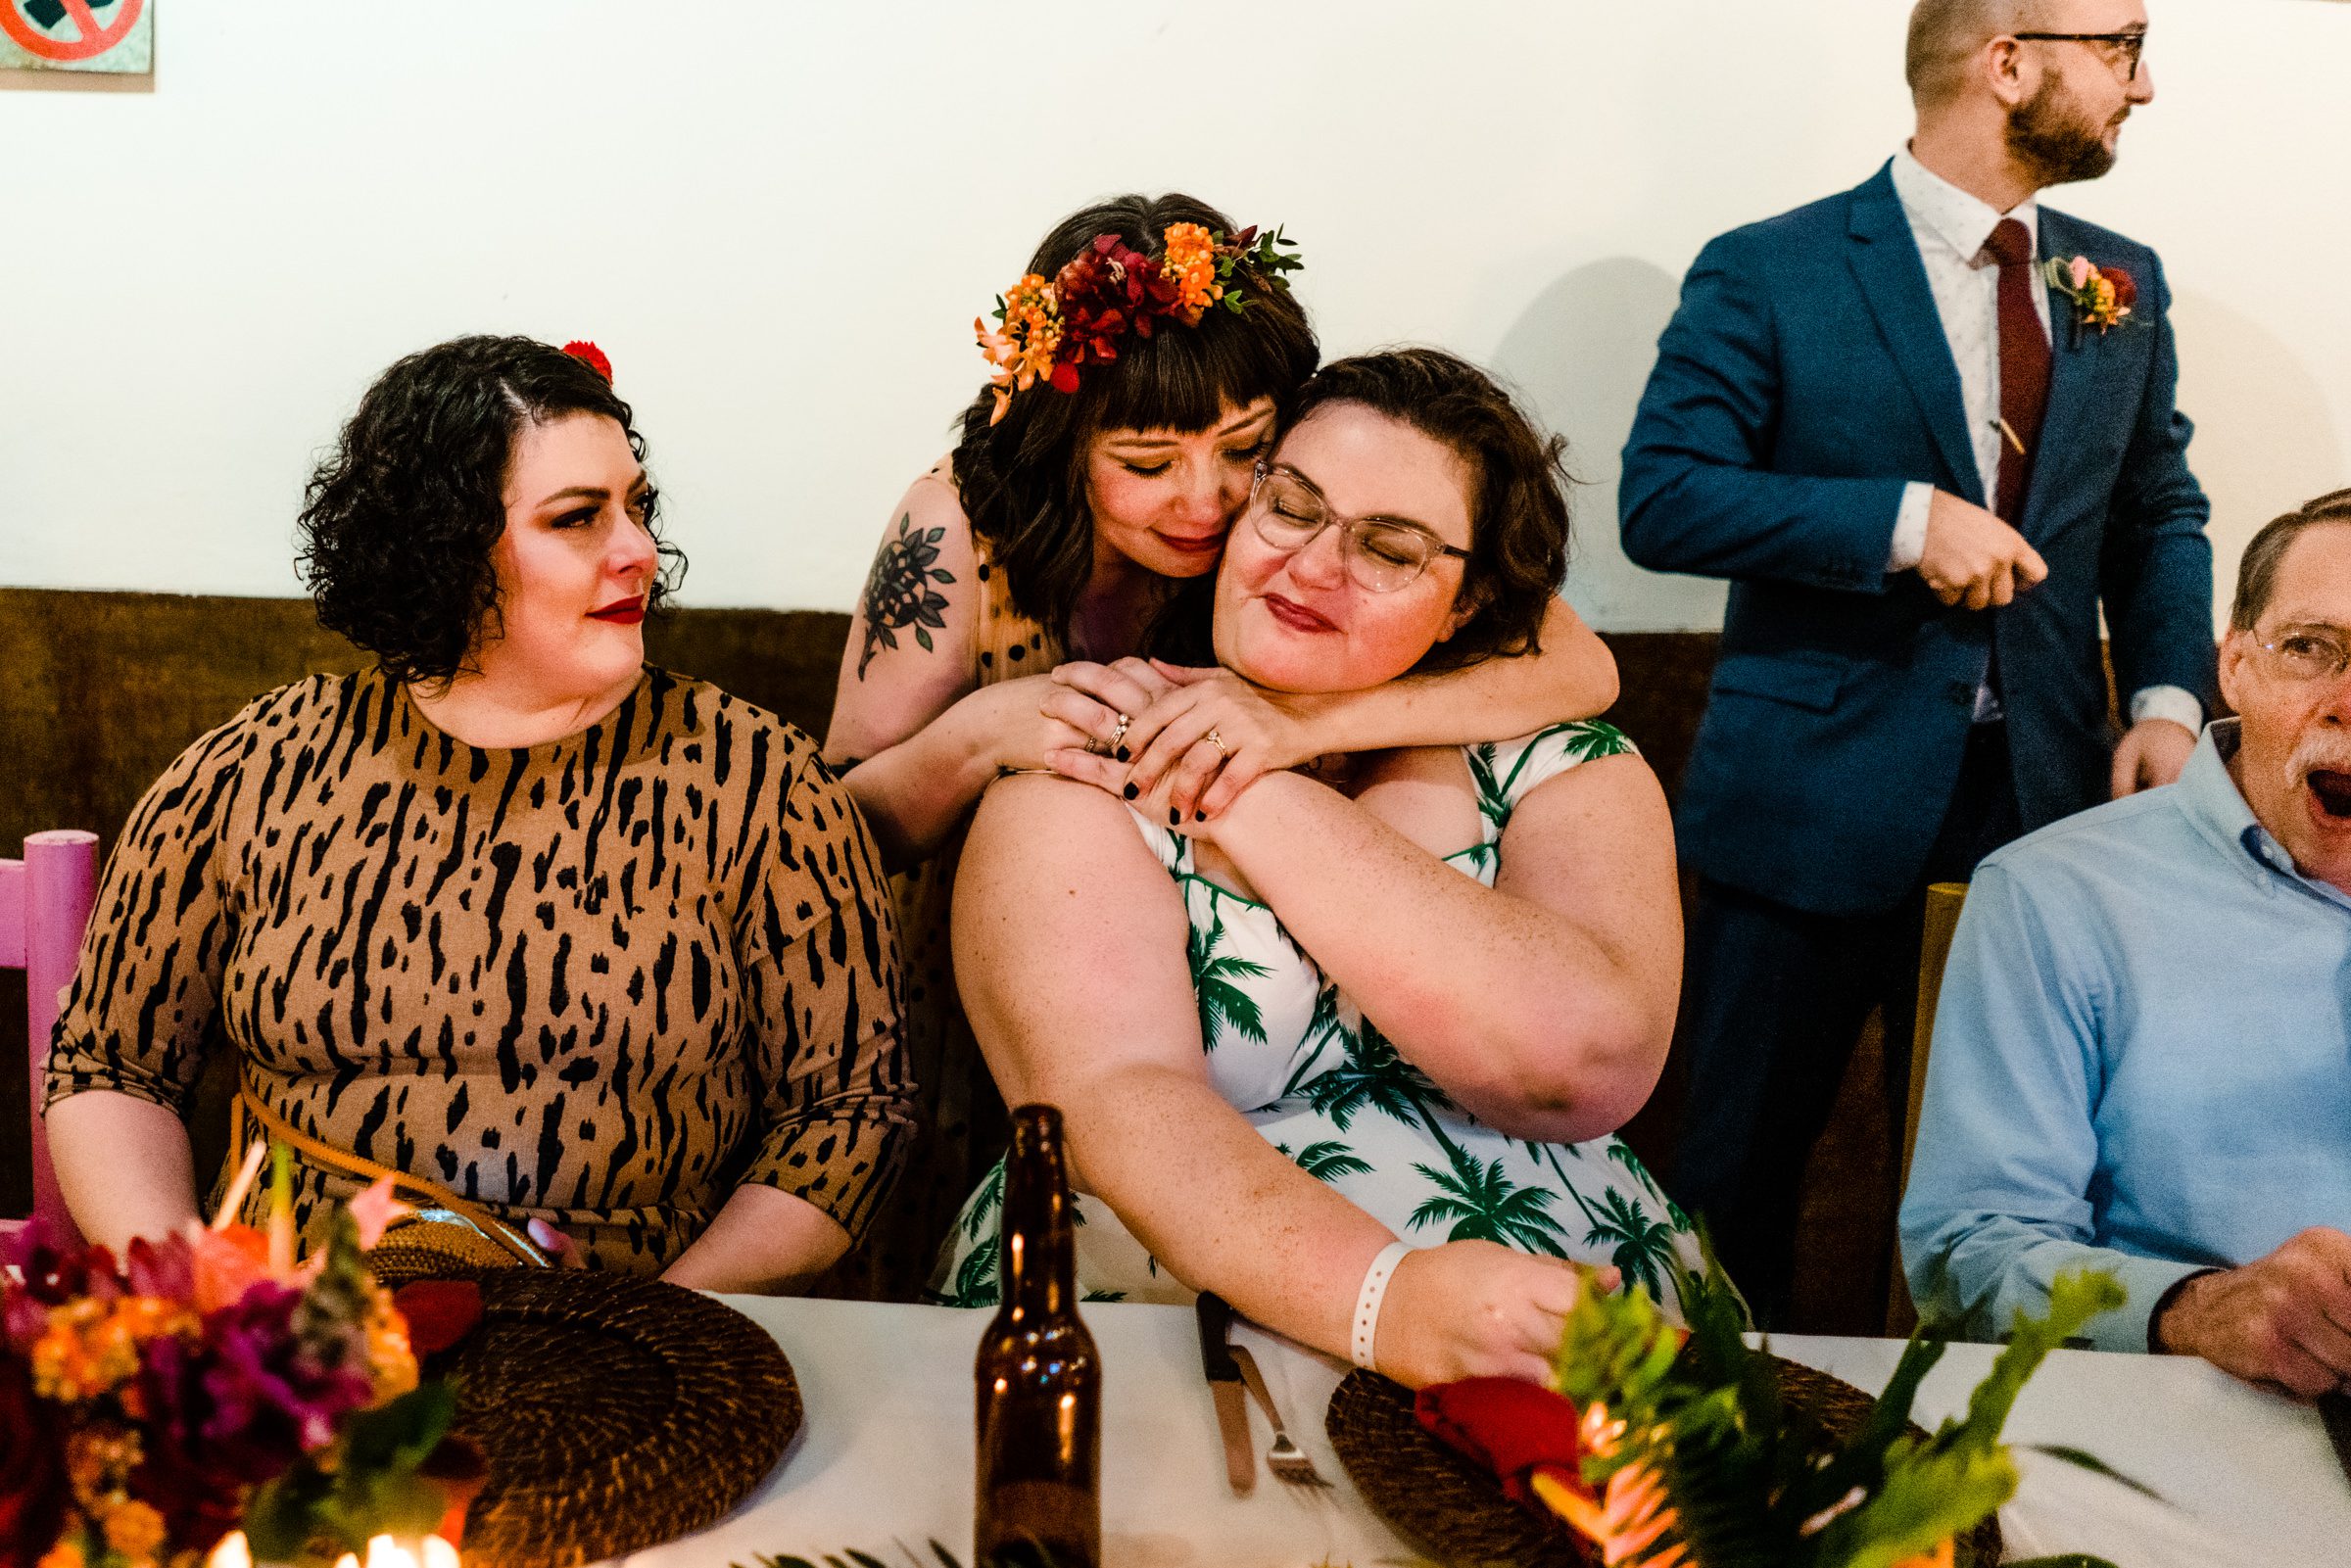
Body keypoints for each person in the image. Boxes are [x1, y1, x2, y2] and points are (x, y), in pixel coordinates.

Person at [826, 194, 1621, 1296]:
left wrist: (1309, 722)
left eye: (1244, 450)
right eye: (1146, 463)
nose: (1204, 502)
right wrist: (978, 735)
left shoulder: (1297, 531)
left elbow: (1585, 668)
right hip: (987, 949)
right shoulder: (960, 530)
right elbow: (836, 831)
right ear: (1063, 442)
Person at [43, 336, 912, 1293]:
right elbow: (111, 1066)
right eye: (578, 517)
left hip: (634, 1337)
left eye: (637, 505)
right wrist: (203, 1301)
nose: (639, 550)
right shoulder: (255, 769)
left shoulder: (761, 784)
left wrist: (666, 1321)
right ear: (445, 551)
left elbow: (847, 1113)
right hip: (303, 1335)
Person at [933, 350, 1707, 1389]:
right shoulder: (1084, 749)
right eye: (1291, 506)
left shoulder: (1560, 765)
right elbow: (1112, 1096)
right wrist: (1387, 1299)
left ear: (1469, 601)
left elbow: (1582, 1062)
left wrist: (1253, 774)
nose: (1309, 568)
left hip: (1564, 1316)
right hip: (1165, 1320)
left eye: (1388, 548)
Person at [1618, 0, 2215, 1323]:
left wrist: (2170, 700)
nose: (2143, 85)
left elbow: (2156, 511)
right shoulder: (1768, 269)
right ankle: (1704, 1438)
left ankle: (1956, 1449)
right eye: (2119, 47)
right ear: (2008, 63)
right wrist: (1900, 523)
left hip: (2038, 811)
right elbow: (1664, 498)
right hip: (1805, 805)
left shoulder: (2122, 278)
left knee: (2005, 1192)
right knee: (1733, 1178)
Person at [1903, 492, 2351, 1384]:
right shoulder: (2055, 897)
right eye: (2310, 648)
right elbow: (1970, 1252)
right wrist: (2193, 1309)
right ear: (2235, 666)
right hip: (2185, 1408)